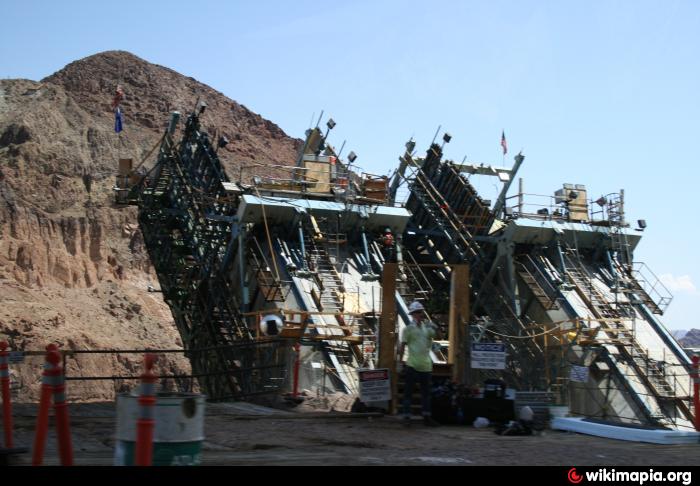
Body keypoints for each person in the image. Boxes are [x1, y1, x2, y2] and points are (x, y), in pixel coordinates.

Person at [399, 301, 439, 427]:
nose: (419, 314)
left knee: (426, 394)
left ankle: (426, 417)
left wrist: (435, 327)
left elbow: (438, 335)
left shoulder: (427, 328)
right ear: (412, 314)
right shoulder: (408, 330)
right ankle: (407, 417)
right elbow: (402, 345)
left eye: (420, 312)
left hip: (426, 366)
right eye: (416, 312)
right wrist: (400, 361)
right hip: (413, 365)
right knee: (408, 393)